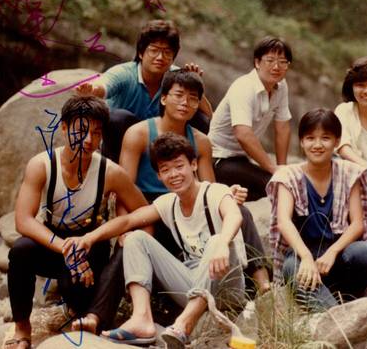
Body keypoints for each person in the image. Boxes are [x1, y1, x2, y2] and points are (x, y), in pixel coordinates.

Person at [64, 133, 245, 348]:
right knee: (135, 238)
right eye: (165, 170)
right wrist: (89, 237)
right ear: (159, 176)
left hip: (226, 286)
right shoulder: (168, 203)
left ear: (194, 164)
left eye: (179, 166)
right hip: (191, 284)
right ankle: (142, 319)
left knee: (215, 241)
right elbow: (127, 221)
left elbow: (234, 215)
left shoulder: (214, 192)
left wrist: (223, 244)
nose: (174, 174)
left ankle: (185, 324)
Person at [5, 96, 148, 349]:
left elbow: (145, 211)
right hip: (53, 242)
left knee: (77, 298)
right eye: (80, 131)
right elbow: (23, 221)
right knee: (20, 250)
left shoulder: (110, 172)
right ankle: (22, 328)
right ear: (64, 127)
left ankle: (80, 310)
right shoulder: (42, 165)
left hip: (90, 246)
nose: (88, 140)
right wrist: (65, 249)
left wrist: (129, 236)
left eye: (96, 133)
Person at [120, 70, 270, 292]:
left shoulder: (201, 141)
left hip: (187, 204)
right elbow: (124, 187)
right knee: (135, 240)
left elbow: (209, 188)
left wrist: (227, 194)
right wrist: (123, 227)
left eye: (192, 98)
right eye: (179, 95)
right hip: (150, 206)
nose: (185, 103)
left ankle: (263, 283)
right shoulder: (138, 134)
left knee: (240, 211)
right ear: (164, 98)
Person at [267, 109, 367, 311]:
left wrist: (333, 252)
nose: (317, 145)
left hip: (337, 257)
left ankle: (349, 296)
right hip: (303, 257)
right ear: (302, 142)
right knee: (291, 268)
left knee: (366, 253)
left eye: (325, 138)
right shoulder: (288, 176)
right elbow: (283, 221)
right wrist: (306, 257)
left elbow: (357, 224)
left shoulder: (348, 172)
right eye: (310, 138)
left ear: (337, 141)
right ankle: (335, 315)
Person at [77, 19, 212, 161]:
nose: (160, 57)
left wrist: (194, 86)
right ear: (141, 53)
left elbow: (208, 117)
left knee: (199, 119)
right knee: (117, 117)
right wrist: (92, 90)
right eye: (154, 50)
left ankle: (182, 165)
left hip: (162, 145)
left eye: (167, 52)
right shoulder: (124, 73)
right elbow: (104, 85)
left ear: (173, 57)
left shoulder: (176, 77)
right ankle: (116, 168)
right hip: (123, 143)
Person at [209, 36, 293, 201]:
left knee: (277, 184)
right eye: (270, 60)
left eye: (283, 62)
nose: (276, 67)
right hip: (220, 158)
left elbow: (282, 127)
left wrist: (281, 167)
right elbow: (243, 134)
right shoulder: (244, 87)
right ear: (257, 62)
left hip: (242, 159)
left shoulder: (281, 86)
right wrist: (272, 169)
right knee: (274, 185)